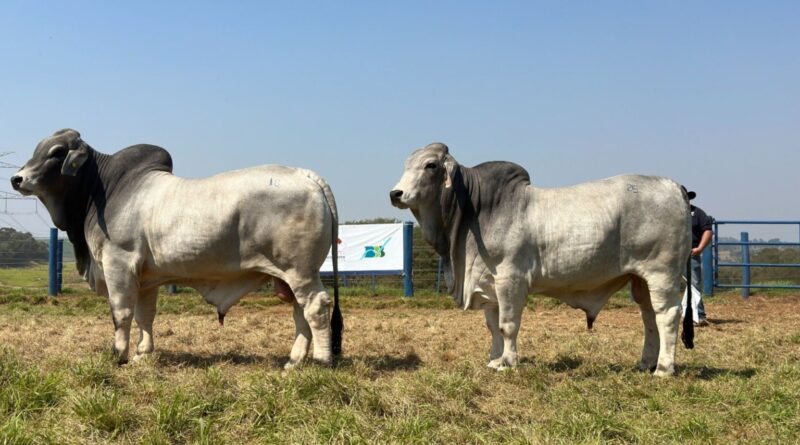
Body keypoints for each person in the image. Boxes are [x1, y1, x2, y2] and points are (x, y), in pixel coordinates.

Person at [682, 186, 713, 326]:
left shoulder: (697, 213)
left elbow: (707, 230)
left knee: (693, 284)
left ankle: (698, 316)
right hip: (670, 255)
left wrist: (700, 248)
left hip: (690, 253)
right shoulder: (667, 214)